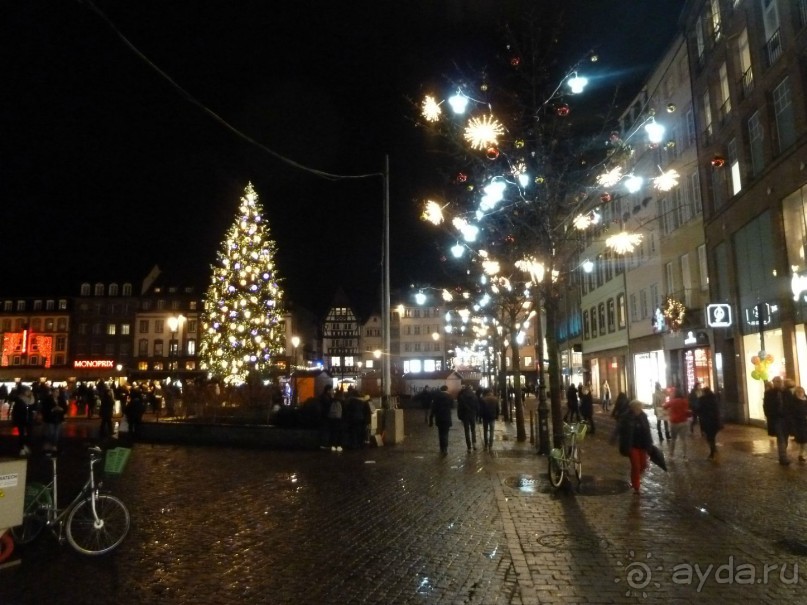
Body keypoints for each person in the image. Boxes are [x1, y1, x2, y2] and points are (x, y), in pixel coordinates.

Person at [618, 399, 653, 495]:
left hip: (642, 445)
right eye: (637, 408)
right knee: (636, 466)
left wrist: (649, 444)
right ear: (633, 408)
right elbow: (621, 431)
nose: (639, 409)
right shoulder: (627, 417)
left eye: (640, 408)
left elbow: (647, 431)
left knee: (643, 465)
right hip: (632, 445)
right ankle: (636, 485)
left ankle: (635, 477)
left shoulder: (643, 416)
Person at [763, 376, 791, 465]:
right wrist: (770, 415)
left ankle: (782, 455)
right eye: (777, 381)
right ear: (774, 383)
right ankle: (783, 458)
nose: (779, 383)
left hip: (786, 418)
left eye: (780, 381)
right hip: (776, 418)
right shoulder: (769, 393)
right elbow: (766, 406)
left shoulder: (787, 392)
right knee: (781, 437)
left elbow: (791, 404)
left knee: (785, 438)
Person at [664, 388, 690, 461]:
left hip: (674, 422)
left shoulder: (672, 401)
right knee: (683, 440)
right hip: (683, 421)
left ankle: (671, 455)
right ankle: (685, 456)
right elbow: (686, 409)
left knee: (673, 439)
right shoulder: (684, 401)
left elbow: (665, 406)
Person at [698, 387, 722, 460]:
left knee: (709, 438)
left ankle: (712, 452)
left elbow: (699, 409)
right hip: (715, 421)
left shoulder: (702, 399)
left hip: (707, 421)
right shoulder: (714, 398)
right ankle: (713, 451)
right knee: (712, 437)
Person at [429, 385, 454, 455]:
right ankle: (445, 448)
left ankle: (441, 448)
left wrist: (431, 418)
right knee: (446, 433)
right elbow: (452, 406)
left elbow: (433, 408)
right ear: (446, 389)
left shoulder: (437, 397)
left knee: (440, 433)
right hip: (447, 417)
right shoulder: (450, 397)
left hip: (439, 417)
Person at [10, 385, 34, 456]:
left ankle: (26, 446)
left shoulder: (32, 399)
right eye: (27, 391)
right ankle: (22, 448)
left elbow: (33, 408)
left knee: (30, 434)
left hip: (29, 419)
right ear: (24, 392)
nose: (29, 392)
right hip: (21, 419)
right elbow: (16, 411)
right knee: (21, 434)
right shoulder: (19, 400)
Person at [40, 386, 65, 452]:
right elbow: (44, 409)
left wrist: (62, 409)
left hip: (58, 418)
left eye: (58, 392)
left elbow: (65, 407)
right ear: (52, 392)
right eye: (56, 392)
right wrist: (52, 409)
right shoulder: (48, 399)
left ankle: (54, 445)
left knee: (56, 433)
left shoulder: (61, 399)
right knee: (51, 432)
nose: (57, 393)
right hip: (50, 418)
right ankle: (50, 445)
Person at [457, 384, 479, 451]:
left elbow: (459, 408)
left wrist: (460, 416)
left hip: (465, 415)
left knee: (466, 431)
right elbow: (477, 406)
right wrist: (476, 414)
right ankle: (474, 444)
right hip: (472, 415)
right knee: (473, 430)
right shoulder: (474, 396)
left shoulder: (462, 397)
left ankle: (469, 447)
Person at [790, 385, 807, 462]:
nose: (800, 393)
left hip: (804, 423)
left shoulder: (806, 400)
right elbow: (793, 413)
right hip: (800, 424)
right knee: (803, 440)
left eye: (801, 392)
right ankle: (801, 454)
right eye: (798, 392)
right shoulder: (794, 402)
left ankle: (801, 454)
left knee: (804, 441)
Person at [318, 384, 334, 450]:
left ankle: (324, 444)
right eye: (332, 390)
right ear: (328, 390)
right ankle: (324, 444)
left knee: (325, 430)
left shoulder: (323, 396)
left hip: (323, 416)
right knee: (325, 430)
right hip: (325, 416)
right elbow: (328, 406)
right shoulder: (326, 398)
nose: (333, 391)